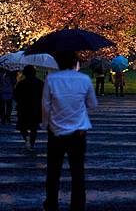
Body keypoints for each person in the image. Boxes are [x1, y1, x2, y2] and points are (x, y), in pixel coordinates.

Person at [42, 51, 97, 211]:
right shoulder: (84, 79)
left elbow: (45, 105)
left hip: (56, 131)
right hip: (78, 132)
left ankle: (51, 202)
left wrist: (46, 124)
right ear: (76, 64)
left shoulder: (51, 79)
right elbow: (93, 104)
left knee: (53, 171)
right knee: (77, 171)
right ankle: (78, 205)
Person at [14, 65, 44, 150]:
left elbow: (16, 95)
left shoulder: (21, 83)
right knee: (34, 127)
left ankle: (26, 137)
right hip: (36, 108)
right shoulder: (40, 83)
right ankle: (32, 143)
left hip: (23, 108)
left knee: (22, 126)